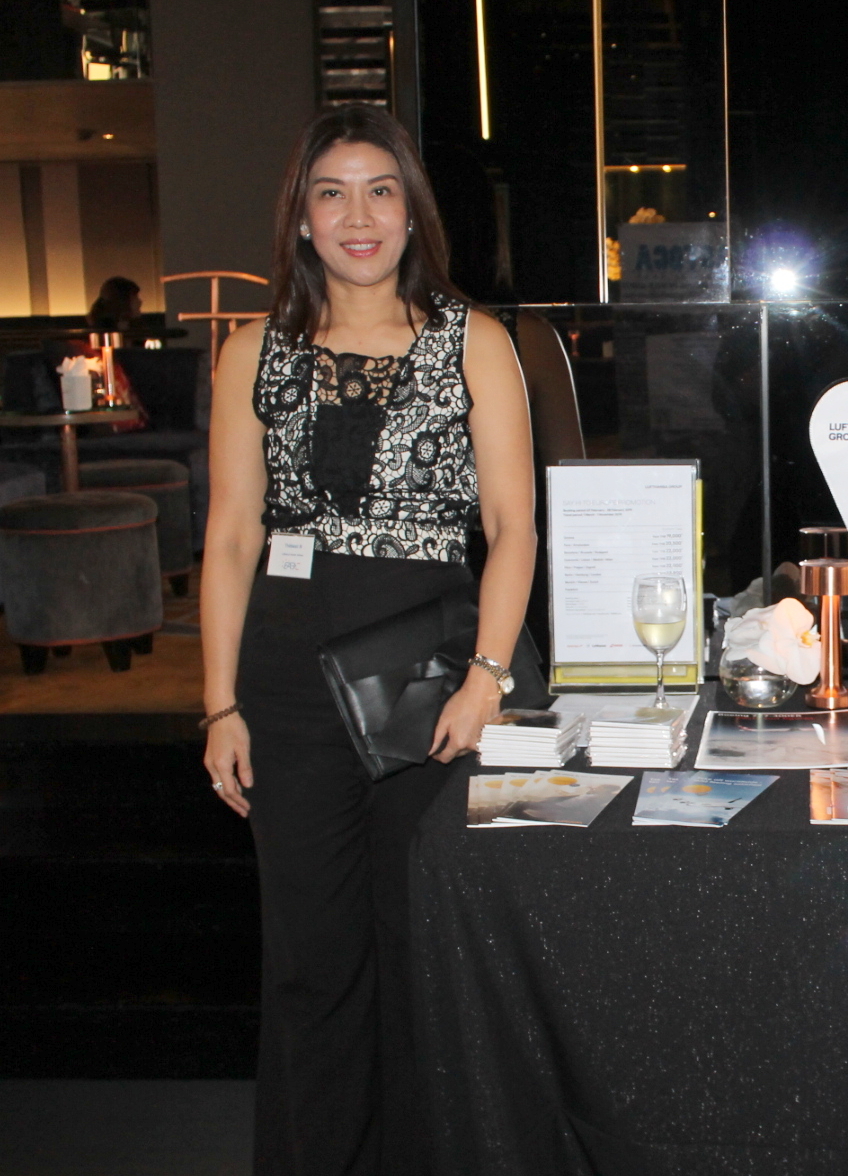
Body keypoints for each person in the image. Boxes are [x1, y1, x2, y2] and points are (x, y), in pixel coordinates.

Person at [199, 104, 536, 1175]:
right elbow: (231, 538)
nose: (358, 216)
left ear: (411, 212)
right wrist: (218, 704)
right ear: (301, 218)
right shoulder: (252, 351)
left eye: (380, 191)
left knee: (420, 948)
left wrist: (487, 678)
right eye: (332, 193)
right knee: (311, 960)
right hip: (287, 684)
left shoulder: (474, 342)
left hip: (429, 684)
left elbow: (513, 527)